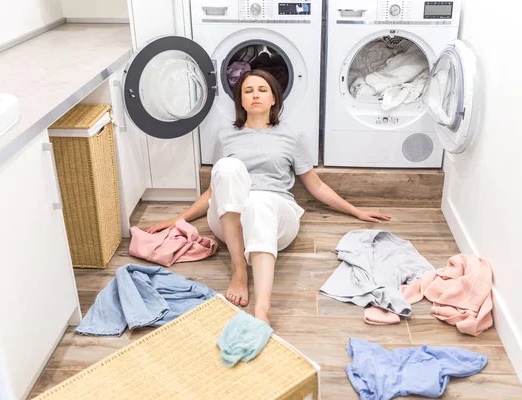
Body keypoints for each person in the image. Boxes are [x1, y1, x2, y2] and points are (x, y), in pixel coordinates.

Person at [147, 69, 391, 325]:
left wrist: (356, 211)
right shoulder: (225, 136)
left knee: (259, 201)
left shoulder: (291, 136)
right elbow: (213, 191)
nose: (255, 95)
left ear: (274, 99)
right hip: (231, 224)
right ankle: (239, 269)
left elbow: (315, 185)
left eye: (262, 90)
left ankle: (262, 308)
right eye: (248, 91)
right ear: (240, 101)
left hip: (276, 219)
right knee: (228, 168)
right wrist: (177, 219)